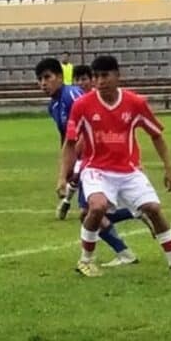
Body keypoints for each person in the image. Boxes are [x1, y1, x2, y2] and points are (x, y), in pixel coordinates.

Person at [58, 56, 171, 278]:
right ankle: (85, 261)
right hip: (96, 169)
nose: (100, 81)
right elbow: (70, 143)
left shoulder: (135, 103)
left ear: (118, 76)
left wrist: (169, 169)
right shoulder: (82, 105)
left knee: (154, 210)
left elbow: (156, 136)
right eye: (96, 76)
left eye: (105, 75)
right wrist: (62, 177)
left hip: (128, 170)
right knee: (96, 207)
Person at [35, 57, 145, 268]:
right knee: (90, 212)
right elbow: (68, 139)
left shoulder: (72, 96)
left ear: (59, 76)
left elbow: (91, 124)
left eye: (47, 77)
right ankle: (130, 231)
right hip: (86, 160)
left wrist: (76, 167)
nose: (43, 83)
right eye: (39, 79)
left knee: (89, 212)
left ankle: (124, 244)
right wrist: (66, 166)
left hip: (96, 160)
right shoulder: (54, 105)